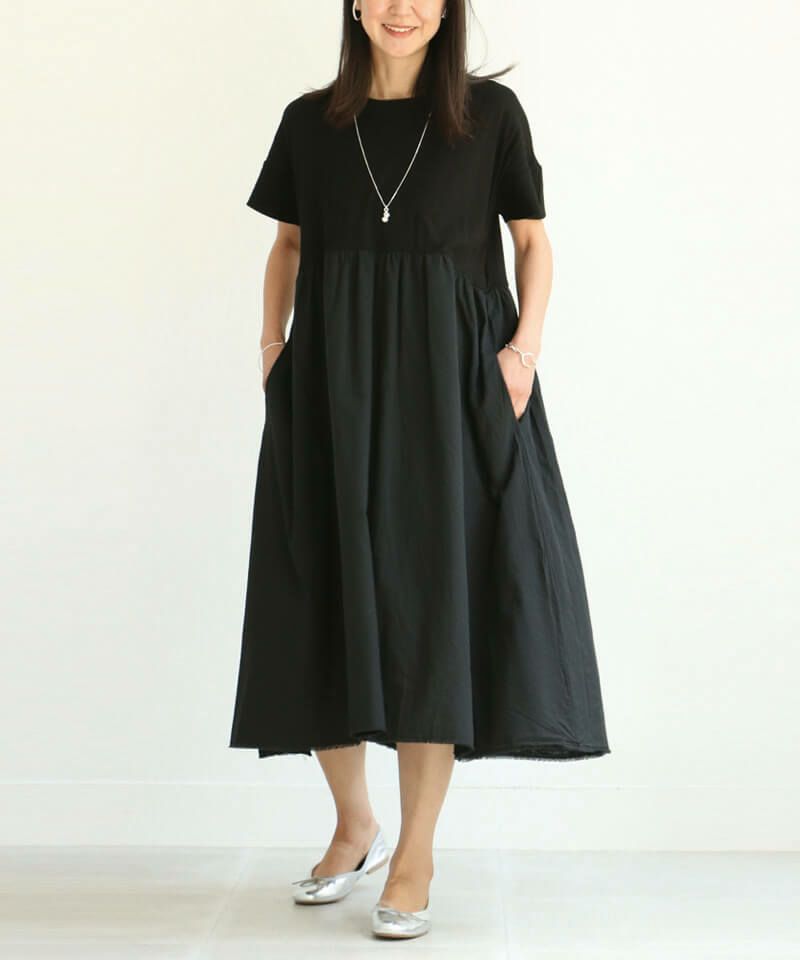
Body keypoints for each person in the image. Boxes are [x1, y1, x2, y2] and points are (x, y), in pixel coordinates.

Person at [229, 0, 610, 940]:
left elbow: (531, 240)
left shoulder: (489, 116)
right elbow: (287, 244)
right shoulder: (309, 121)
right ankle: (354, 823)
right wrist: (273, 346)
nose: (402, 8)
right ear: (356, 4)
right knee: (321, 588)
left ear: (447, 7)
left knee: (433, 603)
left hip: (454, 383)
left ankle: (416, 853)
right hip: (329, 381)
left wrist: (521, 352)